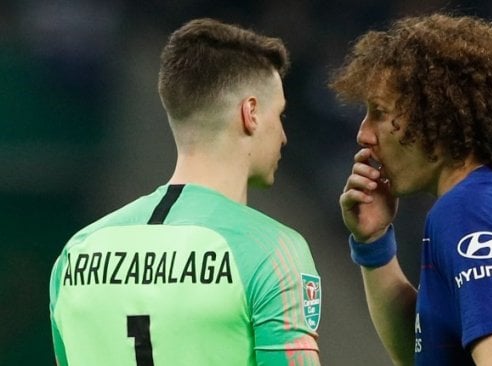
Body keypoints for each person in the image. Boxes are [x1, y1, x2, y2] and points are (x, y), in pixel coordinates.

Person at [49, 18, 322, 366]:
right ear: (250, 112)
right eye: (280, 115)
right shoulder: (274, 252)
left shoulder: (75, 254)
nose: (283, 135)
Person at [330, 12, 492, 365]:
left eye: (379, 112)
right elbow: (431, 351)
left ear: (435, 116)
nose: (364, 133)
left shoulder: (467, 213)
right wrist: (374, 245)